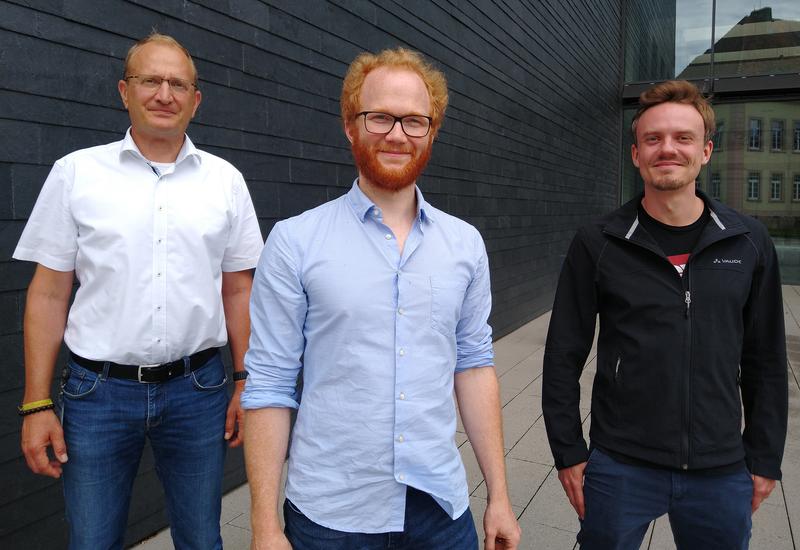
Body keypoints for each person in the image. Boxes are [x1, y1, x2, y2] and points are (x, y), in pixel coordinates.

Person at [242, 47, 521, 550]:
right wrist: (265, 525)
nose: (397, 134)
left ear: (432, 132)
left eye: (415, 121)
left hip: (440, 507)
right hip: (330, 513)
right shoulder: (294, 241)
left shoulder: (464, 244)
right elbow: (270, 383)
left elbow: (475, 366)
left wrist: (498, 495)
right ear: (351, 125)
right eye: (380, 117)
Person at [14, 33, 263, 549]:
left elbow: (238, 290)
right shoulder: (77, 173)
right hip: (98, 394)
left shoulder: (225, 181)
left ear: (196, 100)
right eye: (151, 80)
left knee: (201, 539)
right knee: (93, 541)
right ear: (124, 91)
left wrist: (244, 379)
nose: (164, 94)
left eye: (178, 84)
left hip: (199, 391)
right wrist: (36, 404)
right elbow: (48, 294)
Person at [542, 79, 787, 549]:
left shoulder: (749, 242)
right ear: (636, 154)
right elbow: (562, 354)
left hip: (720, 467)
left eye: (683, 138)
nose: (667, 149)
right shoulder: (599, 241)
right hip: (621, 464)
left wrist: (764, 457)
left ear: (706, 151)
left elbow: (767, 361)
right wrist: (568, 450)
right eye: (653, 139)